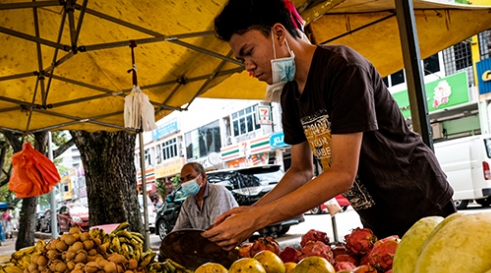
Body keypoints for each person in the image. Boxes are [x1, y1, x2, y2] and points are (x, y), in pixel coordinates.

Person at [203, 0, 455, 250]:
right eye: (241, 60)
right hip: (377, 220)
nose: (248, 67)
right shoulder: (289, 95)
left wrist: (257, 220)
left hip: (419, 202)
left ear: (278, 33)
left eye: (248, 52)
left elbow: (342, 175)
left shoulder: (343, 69)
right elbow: (301, 171)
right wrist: (252, 211)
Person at [171, 162, 239, 232]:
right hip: (208, 241)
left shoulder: (218, 192)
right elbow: (178, 230)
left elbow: (216, 229)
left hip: (231, 240)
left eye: (190, 177)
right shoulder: (188, 203)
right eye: (182, 179)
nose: (185, 182)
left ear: (203, 177)